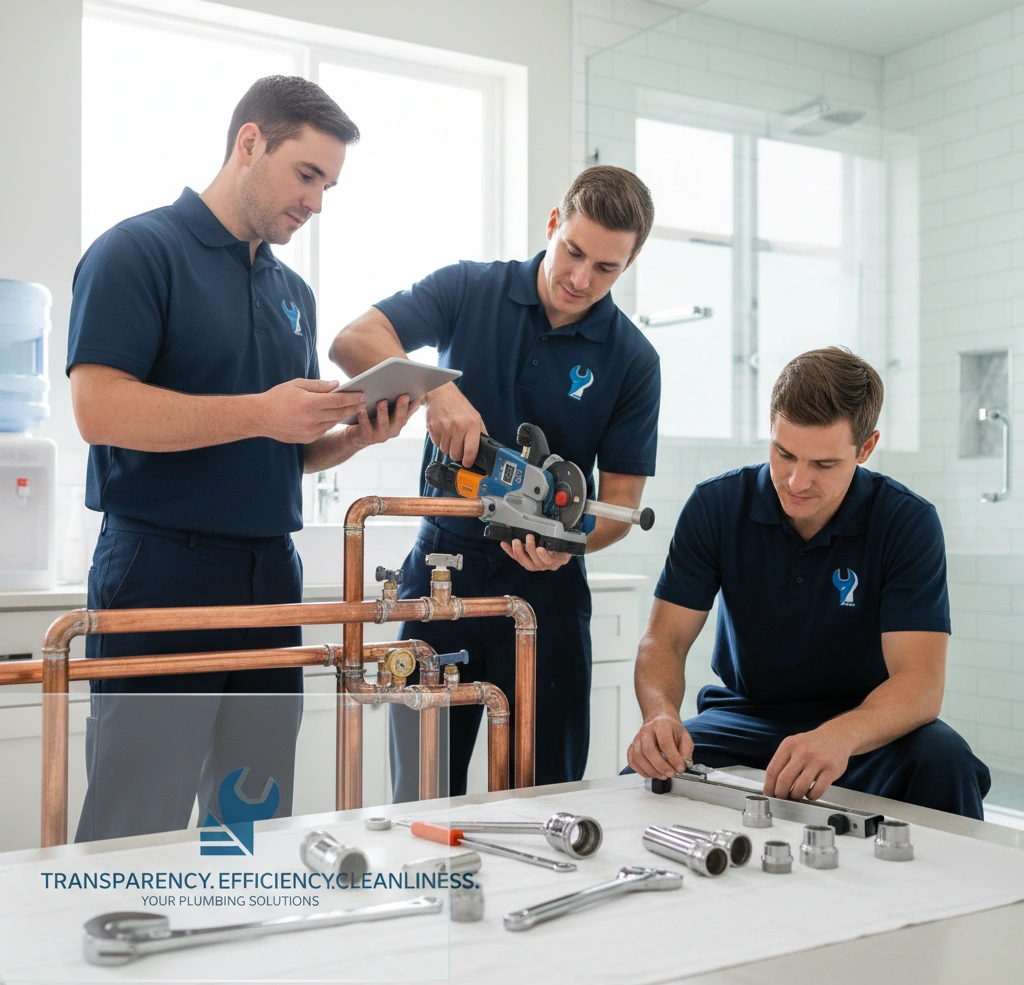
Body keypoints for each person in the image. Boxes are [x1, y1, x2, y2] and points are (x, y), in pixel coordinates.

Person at [67, 76, 414, 842]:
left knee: (250, 816)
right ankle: (115, 952)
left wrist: (352, 436)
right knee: (138, 819)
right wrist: (263, 410)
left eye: (329, 184)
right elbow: (98, 411)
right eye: (307, 175)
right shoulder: (137, 251)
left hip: (269, 574)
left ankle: (227, 954)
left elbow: (276, 454)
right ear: (249, 143)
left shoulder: (293, 291)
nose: (317, 202)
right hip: (161, 570)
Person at [331, 166, 661, 797]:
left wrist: (562, 545)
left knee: (545, 798)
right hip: (438, 572)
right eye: (573, 251)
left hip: (548, 595)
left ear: (631, 262)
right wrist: (437, 392)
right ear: (552, 225)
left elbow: (620, 507)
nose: (580, 279)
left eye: (607, 269)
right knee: (422, 796)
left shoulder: (633, 360)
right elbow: (353, 341)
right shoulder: (468, 289)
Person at [626, 347, 990, 818]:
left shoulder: (907, 522)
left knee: (946, 762)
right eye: (784, 453)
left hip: (864, 722)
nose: (797, 481)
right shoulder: (716, 506)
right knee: (641, 786)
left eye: (824, 465)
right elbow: (664, 641)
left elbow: (919, 682)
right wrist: (660, 714)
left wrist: (839, 736)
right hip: (745, 716)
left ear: (866, 448)